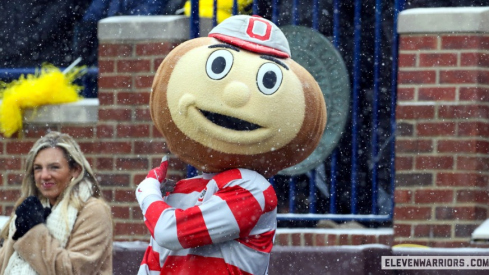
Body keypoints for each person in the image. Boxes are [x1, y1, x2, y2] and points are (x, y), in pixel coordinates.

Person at [0, 131, 113, 274]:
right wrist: (20, 229)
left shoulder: (93, 211)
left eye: (54, 167)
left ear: (75, 170)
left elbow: (71, 271)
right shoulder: (32, 208)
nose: (44, 175)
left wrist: (33, 231)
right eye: (38, 168)